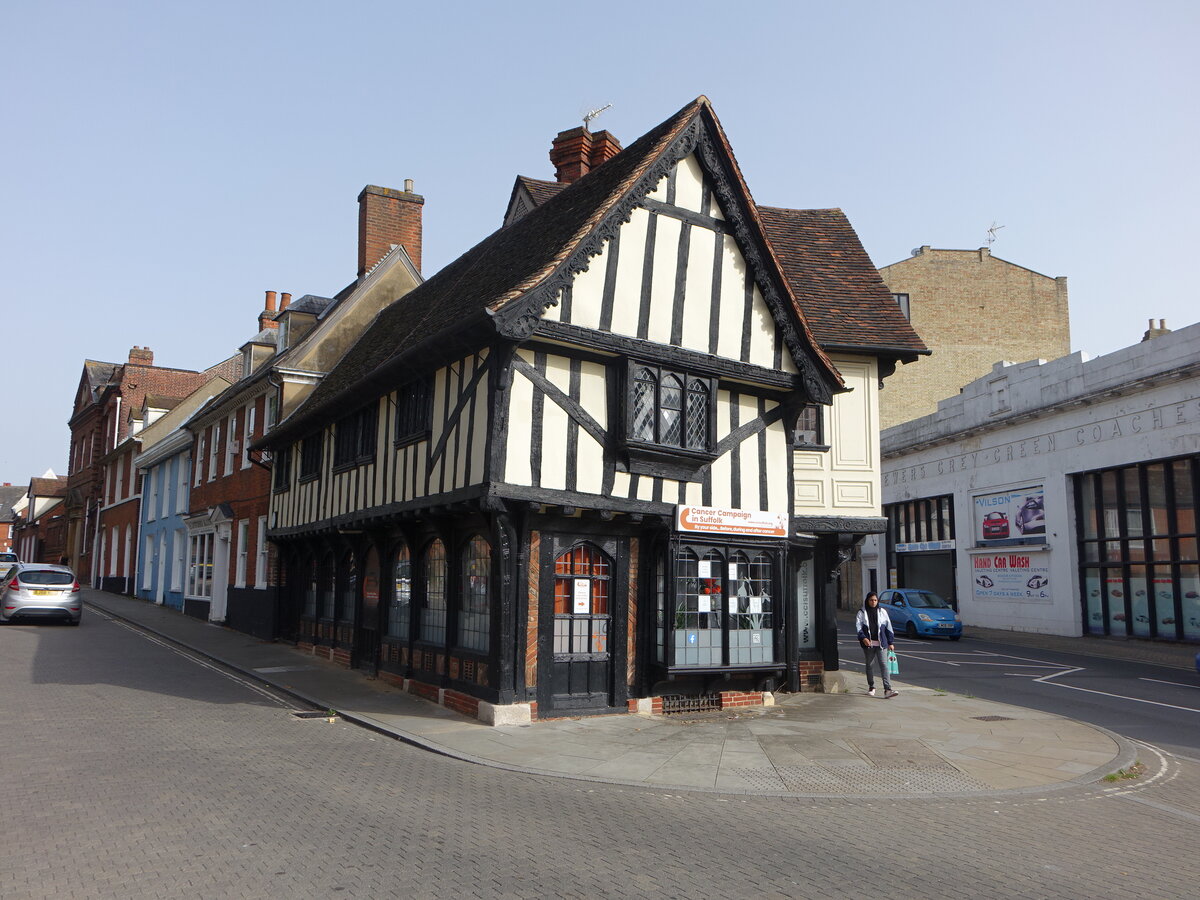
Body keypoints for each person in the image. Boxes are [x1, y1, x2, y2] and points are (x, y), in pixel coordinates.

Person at [855, 592, 898, 698]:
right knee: (869, 665)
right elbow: (858, 627)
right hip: (868, 644)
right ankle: (871, 686)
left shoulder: (882, 612)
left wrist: (890, 642)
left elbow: (889, 627)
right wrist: (863, 638)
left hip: (881, 643)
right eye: (871, 600)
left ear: (877, 601)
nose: (873, 602)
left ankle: (887, 689)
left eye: (875, 600)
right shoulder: (862, 612)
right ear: (867, 601)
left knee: (884, 665)